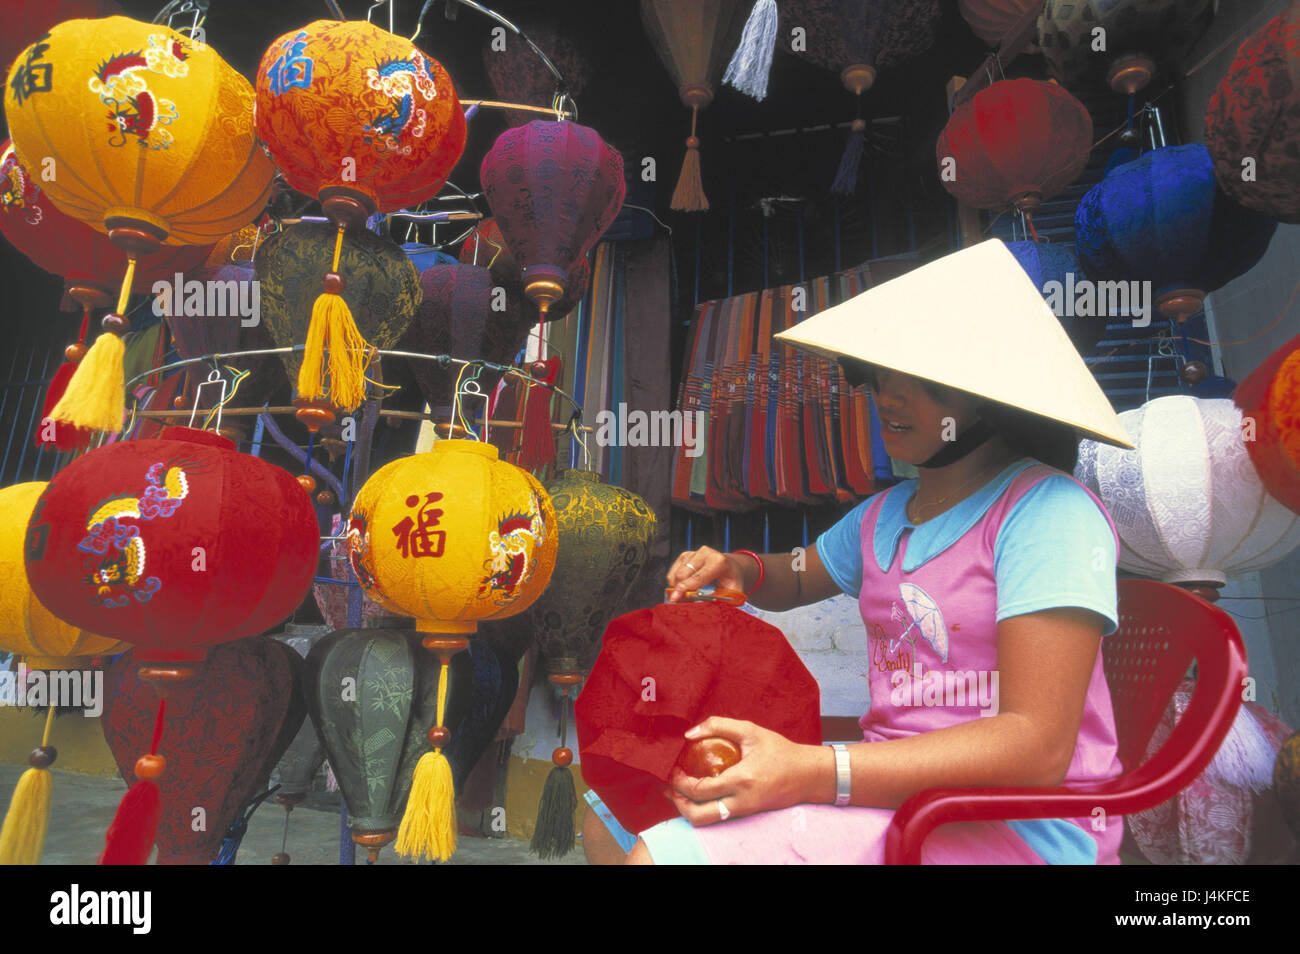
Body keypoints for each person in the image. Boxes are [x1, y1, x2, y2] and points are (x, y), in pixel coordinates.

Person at [581, 238, 1135, 865]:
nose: (889, 397)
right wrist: (739, 567)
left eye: (922, 382)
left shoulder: (1047, 515)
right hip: (886, 794)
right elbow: (799, 576)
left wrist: (815, 772)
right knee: (610, 816)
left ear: (991, 397)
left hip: (1014, 824)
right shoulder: (887, 514)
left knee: (662, 858)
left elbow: (1035, 747)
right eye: (880, 375)